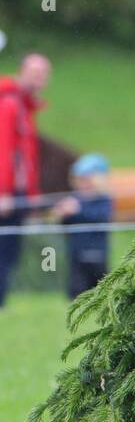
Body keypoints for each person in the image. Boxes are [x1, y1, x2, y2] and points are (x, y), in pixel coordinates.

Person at [0, 53, 50, 307]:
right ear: (21, 71)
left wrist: (31, 196)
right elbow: (4, 149)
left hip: (17, 194)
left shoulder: (24, 106)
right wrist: (4, 192)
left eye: (44, 74)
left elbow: (26, 157)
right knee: (5, 249)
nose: (41, 79)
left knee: (11, 250)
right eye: (35, 73)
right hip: (7, 196)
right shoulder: (10, 104)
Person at [52, 153, 113, 298]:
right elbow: (65, 226)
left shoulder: (103, 199)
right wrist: (63, 214)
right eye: (80, 180)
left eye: (86, 180)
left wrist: (77, 210)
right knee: (76, 290)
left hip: (97, 254)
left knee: (100, 292)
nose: (82, 184)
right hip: (76, 254)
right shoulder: (74, 198)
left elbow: (100, 217)